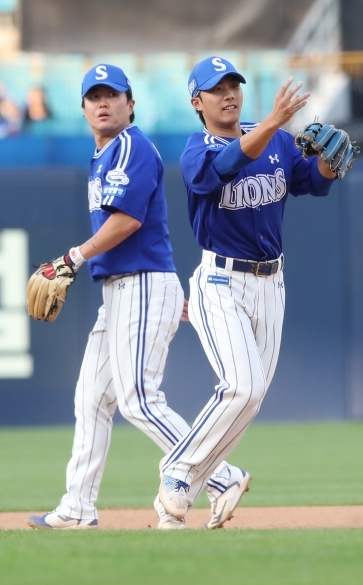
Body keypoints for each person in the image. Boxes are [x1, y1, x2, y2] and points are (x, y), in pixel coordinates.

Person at [26, 63, 249, 531]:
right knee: (91, 400)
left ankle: (220, 475)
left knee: (139, 401)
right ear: (84, 108)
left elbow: (127, 221)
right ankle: (78, 507)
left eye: (112, 95)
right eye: (94, 97)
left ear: (131, 103)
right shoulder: (104, 154)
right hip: (124, 290)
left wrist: (72, 257)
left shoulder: (132, 145)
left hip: (142, 282)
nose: (103, 103)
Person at [156, 56, 348, 521]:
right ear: (196, 101)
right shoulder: (195, 151)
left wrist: (328, 163)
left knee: (251, 396)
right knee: (241, 386)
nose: (229, 94)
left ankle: (176, 506)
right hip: (220, 280)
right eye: (216, 88)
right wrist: (273, 122)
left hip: (271, 282)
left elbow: (312, 184)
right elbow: (222, 166)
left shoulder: (277, 140)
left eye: (234, 85)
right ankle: (177, 472)